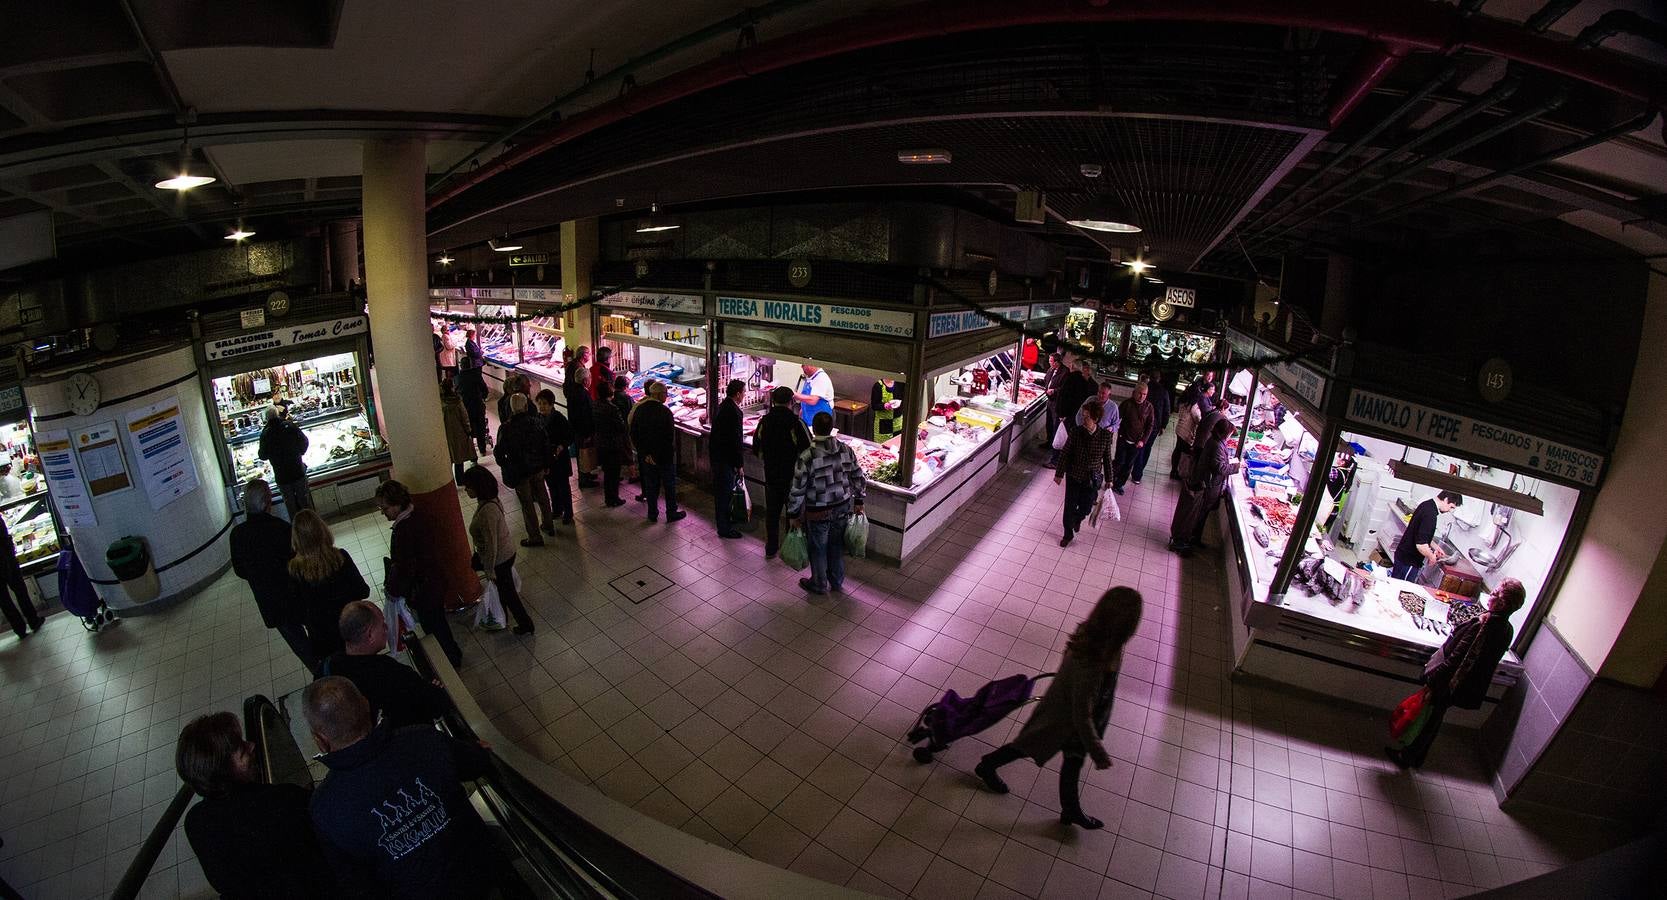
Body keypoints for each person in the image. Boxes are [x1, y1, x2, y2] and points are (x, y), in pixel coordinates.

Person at [304, 677, 508, 899]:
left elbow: (356, 884)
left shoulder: (325, 808)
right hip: (479, 875)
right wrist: (480, 751)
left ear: (320, 740)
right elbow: (475, 763)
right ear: (366, 705)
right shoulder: (422, 738)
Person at [975, 587, 1143, 829]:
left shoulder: (1096, 637)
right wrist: (1097, 751)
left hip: (1069, 717)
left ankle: (1071, 810)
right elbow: (1081, 713)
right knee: (1028, 747)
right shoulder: (1094, 662)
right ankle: (988, 764)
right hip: (1066, 722)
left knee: (1067, 763)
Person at [176, 712, 332, 899]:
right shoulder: (283, 800)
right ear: (224, 772)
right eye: (242, 751)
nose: (251, 746)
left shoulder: (196, 822)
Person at [1389, 579, 1525, 769]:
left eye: (1494, 594)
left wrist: (1433, 679)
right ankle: (1417, 757)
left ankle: (1407, 756)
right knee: (1434, 719)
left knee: (1430, 720)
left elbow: (1457, 658)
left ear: (1502, 603)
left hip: (1449, 683)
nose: (1490, 596)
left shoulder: (1483, 625)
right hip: (1464, 685)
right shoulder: (1507, 629)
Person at [376, 480, 464, 670]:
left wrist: (393, 589)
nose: (383, 512)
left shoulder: (403, 531)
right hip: (435, 583)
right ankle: (453, 653)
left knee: (433, 626)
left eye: (385, 508)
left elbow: (405, 567)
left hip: (425, 590)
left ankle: (450, 660)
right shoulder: (417, 516)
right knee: (439, 622)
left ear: (397, 504)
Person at [323, 601, 449, 729]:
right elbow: (435, 705)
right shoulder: (390, 673)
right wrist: (435, 690)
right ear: (370, 635)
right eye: (382, 624)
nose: (386, 628)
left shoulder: (327, 666)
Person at [229, 479, 307, 670]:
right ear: (267, 502)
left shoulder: (238, 535)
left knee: (299, 643)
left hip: (270, 601)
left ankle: (319, 671)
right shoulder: (282, 528)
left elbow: (240, 570)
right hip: (295, 594)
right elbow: (297, 562)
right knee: (315, 628)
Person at [786, 411, 865, 595]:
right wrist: (859, 499)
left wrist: (793, 514)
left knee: (818, 548)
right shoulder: (845, 449)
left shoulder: (807, 456)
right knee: (836, 545)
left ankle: (819, 584)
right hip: (843, 506)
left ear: (813, 429)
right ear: (831, 428)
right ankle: (837, 581)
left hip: (818, 511)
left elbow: (798, 489)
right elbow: (858, 476)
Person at [458, 466, 535, 635]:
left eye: (468, 487)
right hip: (506, 552)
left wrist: (490, 568)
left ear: (477, 487)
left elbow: (492, 543)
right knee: (504, 591)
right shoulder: (490, 500)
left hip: (500, 558)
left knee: (509, 595)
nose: (466, 490)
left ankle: (526, 624)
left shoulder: (487, 510)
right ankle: (502, 619)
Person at [288, 510, 371, 664]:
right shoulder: (340, 557)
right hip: (351, 628)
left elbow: (297, 610)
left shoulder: (294, 570)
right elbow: (363, 590)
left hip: (322, 639)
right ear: (322, 530)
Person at [754, 385, 811, 559]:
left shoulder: (764, 421)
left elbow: (757, 448)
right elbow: (809, 450)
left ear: (773, 401)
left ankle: (771, 547)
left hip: (771, 476)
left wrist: (769, 460)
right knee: (792, 513)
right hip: (792, 478)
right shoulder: (796, 422)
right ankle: (789, 546)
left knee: (772, 513)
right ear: (791, 402)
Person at [1169, 417, 1239, 554]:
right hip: (1207, 485)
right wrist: (1237, 466)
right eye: (1230, 433)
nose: (1230, 436)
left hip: (1206, 484)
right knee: (1196, 515)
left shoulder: (1214, 441)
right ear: (1225, 433)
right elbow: (1220, 468)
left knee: (1198, 515)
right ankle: (1184, 541)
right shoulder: (1216, 445)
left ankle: (1192, 539)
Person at [494, 393, 555, 547]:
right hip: (538, 467)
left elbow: (499, 452)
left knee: (527, 504)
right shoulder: (536, 422)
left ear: (511, 408)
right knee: (543, 496)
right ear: (526, 406)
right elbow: (545, 445)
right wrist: (546, 464)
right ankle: (548, 524)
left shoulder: (506, 428)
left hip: (519, 471)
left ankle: (534, 536)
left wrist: (506, 465)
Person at [1054, 398, 1115, 548]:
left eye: (1086, 416)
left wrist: (1109, 479)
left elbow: (1107, 459)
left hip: (1092, 478)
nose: (1083, 419)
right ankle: (1067, 534)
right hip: (1074, 475)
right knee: (1069, 505)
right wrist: (1059, 473)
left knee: (1086, 507)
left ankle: (1077, 519)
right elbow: (1065, 453)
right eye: (1083, 416)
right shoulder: (1076, 432)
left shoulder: (1105, 436)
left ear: (1095, 418)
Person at [630, 380, 684, 523]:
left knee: (651, 485)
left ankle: (652, 513)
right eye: (666, 393)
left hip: (646, 457)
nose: (666, 396)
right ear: (660, 395)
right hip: (664, 457)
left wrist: (645, 454)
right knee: (669, 485)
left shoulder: (640, 409)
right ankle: (671, 512)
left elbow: (634, 433)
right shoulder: (665, 412)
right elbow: (667, 437)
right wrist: (657, 455)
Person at [1391, 490, 1462, 581]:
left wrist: (1435, 547)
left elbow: (1420, 534)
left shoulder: (1427, 504)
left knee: (1394, 584)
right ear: (1446, 499)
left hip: (1402, 555)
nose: (1450, 510)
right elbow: (1421, 545)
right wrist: (1431, 557)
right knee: (1402, 588)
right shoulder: (1430, 515)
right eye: (1451, 507)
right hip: (1409, 561)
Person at [258, 402, 312, 517]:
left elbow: (262, 455)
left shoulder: (266, 434)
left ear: (266, 418)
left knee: (291, 505)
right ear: (277, 414)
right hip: (297, 469)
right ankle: (312, 526)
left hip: (281, 475)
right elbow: (305, 441)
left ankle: (296, 529)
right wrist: (299, 453)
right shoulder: (289, 425)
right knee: (304, 501)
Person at [0, 515, 44, 641]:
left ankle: (19, 629)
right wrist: (10, 551)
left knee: (4, 600)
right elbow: (3, 535)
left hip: (4, 558)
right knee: (20, 591)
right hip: (6, 559)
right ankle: (33, 620)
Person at [712, 379, 746, 539]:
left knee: (722, 493)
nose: (745, 395)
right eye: (744, 392)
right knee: (725, 494)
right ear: (738, 394)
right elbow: (735, 440)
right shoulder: (734, 412)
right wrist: (739, 464)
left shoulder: (723, 406)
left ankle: (723, 523)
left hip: (718, 457)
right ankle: (724, 528)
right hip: (725, 460)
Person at [534, 389, 574, 525]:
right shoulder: (538, 419)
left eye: (544, 404)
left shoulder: (559, 419)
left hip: (560, 459)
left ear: (551, 404)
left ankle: (568, 513)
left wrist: (561, 446)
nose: (541, 406)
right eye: (539, 403)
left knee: (563, 486)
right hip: (547, 460)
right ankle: (557, 509)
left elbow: (569, 437)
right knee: (551, 486)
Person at [1110, 382, 1154, 495]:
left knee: (1129, 464)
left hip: (1137, 442)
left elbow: (1150, 426)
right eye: (1140, 393)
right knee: (1119, 461)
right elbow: (1116, 419)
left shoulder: (1149, 407)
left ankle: (1119, 484)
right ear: (1134, 393)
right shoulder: (1126, 404)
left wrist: (1143, 440)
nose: (1142, 396)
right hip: (1123, 438)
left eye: (1144, 394)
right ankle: (1111, 480)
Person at [592, 379, 629, 508]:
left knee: (607, 472)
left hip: (601, 443)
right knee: (614, 473)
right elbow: (621, 427)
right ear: (610, 393)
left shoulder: (595, 405)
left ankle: (609, 498)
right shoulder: (612, 409)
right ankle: (614, 498)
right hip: (613, 444)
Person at [1132, 370, 1172, 484]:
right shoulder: (1164, 392)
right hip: (1155, 424)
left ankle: (1136, 472)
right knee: (1147, 447)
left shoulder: (1145, 388)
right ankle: (1138, 472)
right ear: (1159, 378)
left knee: (1140, 446)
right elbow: (1167, 410)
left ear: (1149, 378)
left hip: (1142, 422)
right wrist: (1164, 425)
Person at [1170, 382, 1211, 479]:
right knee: (1186, 453)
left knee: (1177, 450)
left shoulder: (1184, 400)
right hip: (1186, 431)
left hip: (1180, 428)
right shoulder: (1193, 405)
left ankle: (1174, 471)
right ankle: (1182, 473)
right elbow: (1198, 419)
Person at [565, 364, 597, 489]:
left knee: (583, 454)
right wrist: (588, 433)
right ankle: (584, 479)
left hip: (576, 428)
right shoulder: (582, 394)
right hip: (582, 430)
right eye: (589, 378)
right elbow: (584, 416)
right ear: (585, 380)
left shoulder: (574, 391)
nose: (590, 380)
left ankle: (586, 474)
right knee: (583, 454)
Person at [440, 379, 475, 485]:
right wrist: (468, 430)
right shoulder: (457, 401)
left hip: (445, 433)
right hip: (458, 432)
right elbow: (464, 417)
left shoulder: (439, 402)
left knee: (448, 457)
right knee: (459, 457)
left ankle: (448, 480)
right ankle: (460, 479)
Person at [455, 355, 490, 456]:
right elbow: (484, 389)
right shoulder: (476, 375)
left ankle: (472, 454)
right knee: (480, 427)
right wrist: (483, 397)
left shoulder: (457, 378)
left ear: (461, 366)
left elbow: (456, 392)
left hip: (465, 407)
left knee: (468, 429)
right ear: (470, 365)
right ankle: (482, 449)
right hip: (477, 404)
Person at [611, 375, 637, 485]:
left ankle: (617, 475)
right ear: (625, 386)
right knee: (627, 451)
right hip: (624, 428)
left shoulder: (611, 397)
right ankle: (633, 475)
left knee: (617, 452)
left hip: (614, 429)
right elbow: (633, 412)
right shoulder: (627, 398)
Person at [793, 363, 834, 428]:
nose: (801, 367)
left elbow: (813, 400)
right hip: (808, 418)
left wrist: (794, 394)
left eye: (803, 365)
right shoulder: (810, 378)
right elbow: (805, 398)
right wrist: (802, 411)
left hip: (821, 421)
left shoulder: (821, 378)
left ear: (810, 364)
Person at [1040, 353, 1065, 449]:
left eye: (1051, 361)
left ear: (1057, 362)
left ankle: (1054, 445)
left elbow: (1063, 388)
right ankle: (1049, 441)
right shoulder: (1051, 369)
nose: (1049, 363)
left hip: (1057, 402)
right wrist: (1033, 380)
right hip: (1049, 400)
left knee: (1055, 423)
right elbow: (1045, 381)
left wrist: (1054, 391)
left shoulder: (1064, 372)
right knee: (1049, 422)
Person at [870, 377, 905, 442]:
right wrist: (884, 406)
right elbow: (874, 406)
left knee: (896, 445)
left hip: (898, 423)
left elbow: (906, 398)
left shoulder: (900, 383)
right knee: (883, 448)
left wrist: (900, 402)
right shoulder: (878, 386)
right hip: (883, 424)